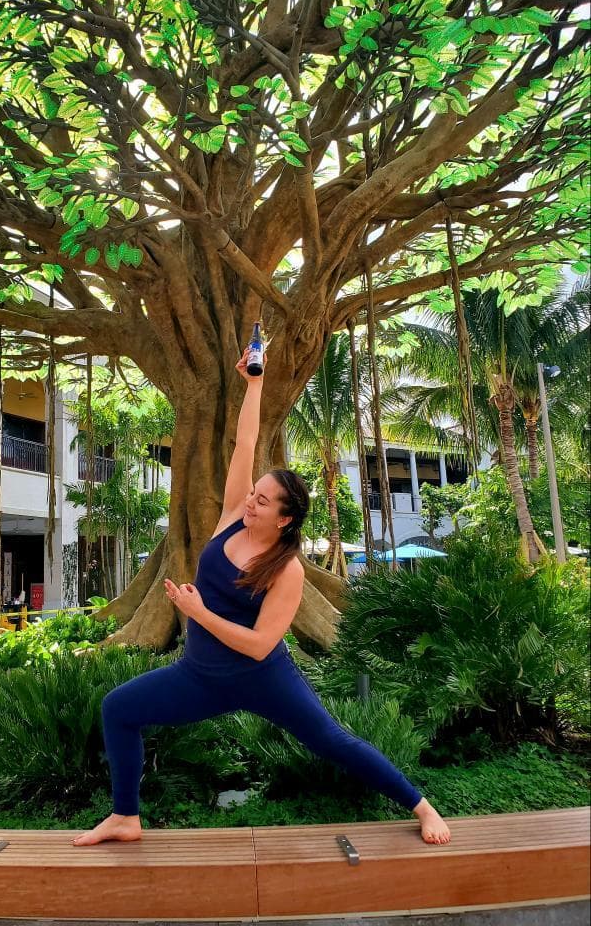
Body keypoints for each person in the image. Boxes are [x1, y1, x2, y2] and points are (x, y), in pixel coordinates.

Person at [73, 346, 450, 847]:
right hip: (199, 676)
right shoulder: (233, 515)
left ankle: (421, 806)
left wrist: (198, 611)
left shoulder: (287, 571)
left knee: (331, 741)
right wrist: (253, 385)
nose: (252, 500)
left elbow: (257, 645)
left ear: (285, 518)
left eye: (264, 500)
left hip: (262, 678)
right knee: (118, 708)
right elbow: (245, 442)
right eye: (254, 493)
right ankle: (125, 817)